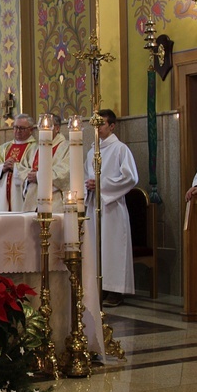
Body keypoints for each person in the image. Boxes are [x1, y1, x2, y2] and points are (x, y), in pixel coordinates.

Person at [84, 109, 138, 308]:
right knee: (97, 246)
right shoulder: (92, 151)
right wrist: (87, 186)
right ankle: (100, 286)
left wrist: (101, 185)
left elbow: (130, 177)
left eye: (102, 125)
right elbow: (84, 176)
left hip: (112, 206)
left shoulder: (120, 149)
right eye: (95, 125)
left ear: (112, 126)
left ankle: (116, 290)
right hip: (94, 205)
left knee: (113, 247)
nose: (97, 129)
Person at [0, 114, 36, 211]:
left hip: (20, 193)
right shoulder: (4, 148)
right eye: (15, 127)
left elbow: (36, 171)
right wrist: (2, 167)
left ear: (31, 130)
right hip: (1, 193)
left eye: (22, 128)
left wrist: (16, 168)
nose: (17, 131)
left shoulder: (35, 148)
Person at [23, 114, 70, 213]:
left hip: (54, 200)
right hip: (32, 200)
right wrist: (29, 177)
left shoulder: (66, 147)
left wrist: (39, 176)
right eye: (41, 127)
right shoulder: (36, 148)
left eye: (47, 126)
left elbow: (65, 172)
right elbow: (25, 168)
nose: (42, 130)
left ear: (57, 128)